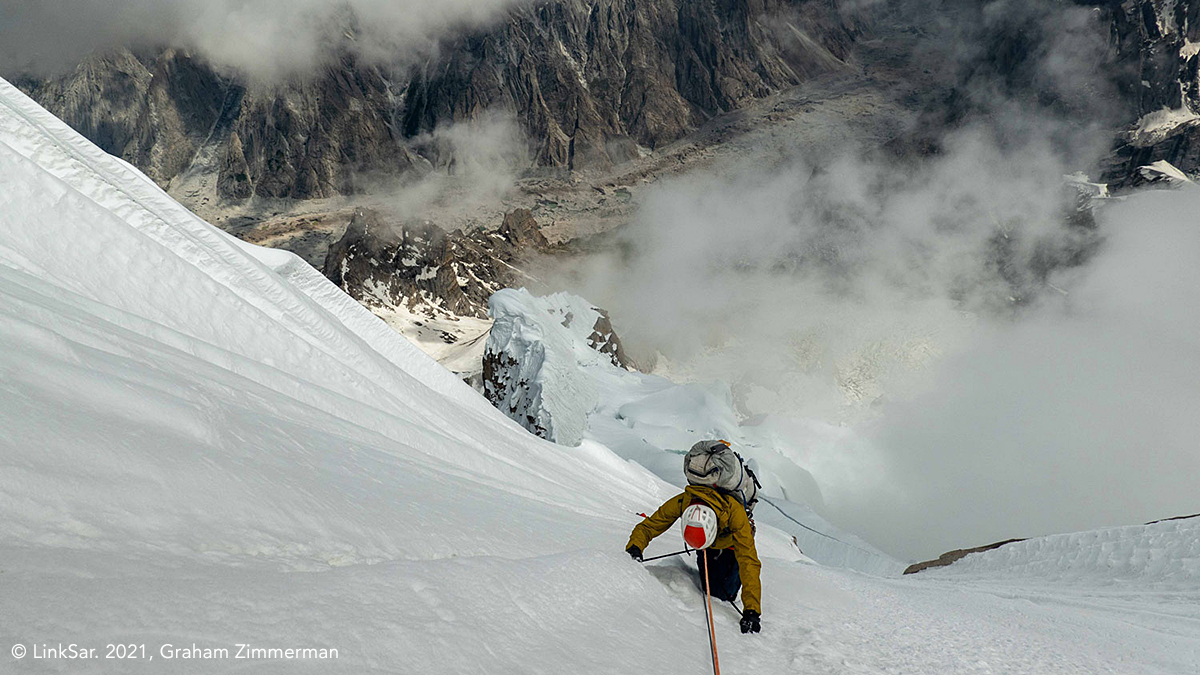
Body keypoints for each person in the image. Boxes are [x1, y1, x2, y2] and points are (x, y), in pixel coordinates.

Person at [625, 482, 763, 634]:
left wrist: (752, 611)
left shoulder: (735, 514)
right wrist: (635, 547)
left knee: (723, 595)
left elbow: (749, 562)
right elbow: (650, 525)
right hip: (707, 544)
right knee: (708, 587)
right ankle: (706, 553)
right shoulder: (685, 500)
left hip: (731, 546)